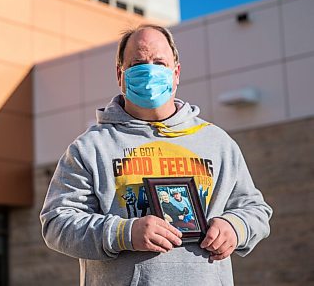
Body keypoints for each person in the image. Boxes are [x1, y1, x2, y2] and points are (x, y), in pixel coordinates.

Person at [40, 24, 272, 286]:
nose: (150, 70)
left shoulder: (217, 143)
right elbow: (57, 224)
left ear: (176, 73)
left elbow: (255, 209)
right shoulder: (89, 148)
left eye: (159, 62)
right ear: (120, 74)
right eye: (138, 62)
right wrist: (123, 233)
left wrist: (235, 227)